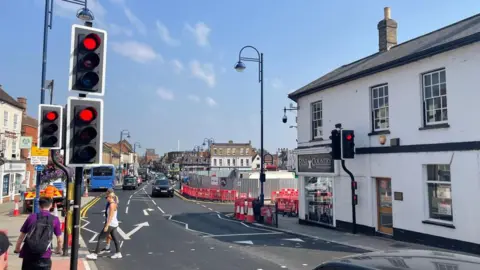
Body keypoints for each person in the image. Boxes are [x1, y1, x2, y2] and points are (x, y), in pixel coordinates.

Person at [15, 197, 62, 270]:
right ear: (51, 205)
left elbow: (21, 236)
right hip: (44, 255)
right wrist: (58, 250)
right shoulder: (55, 219)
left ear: (39, 206)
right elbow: (59, 240)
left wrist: (17, 249)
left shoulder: (31, 217)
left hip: (29, 254)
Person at [87, 192, 122, 260]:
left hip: (111, 224)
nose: (106, 198)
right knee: (115, 239)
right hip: (114, 224)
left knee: (100, 238)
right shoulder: (114, 203)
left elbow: (110, 216)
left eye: (107, 197)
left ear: (110, 197)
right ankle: (118, 253)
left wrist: (107, 225)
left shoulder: (111, 205)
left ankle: (95, 254)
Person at [101, 188, 119, 254]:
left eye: (107, 192)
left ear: (109, 193)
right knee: (108, 234)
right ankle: (108, 247)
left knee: (105, 235)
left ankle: (115, 243)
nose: (106, 193)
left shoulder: (113, 199)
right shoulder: (111, 198)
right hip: (108, 218)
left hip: (110, 220)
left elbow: (115, 207)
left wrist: (108, 223)